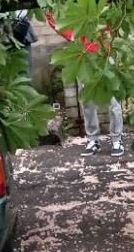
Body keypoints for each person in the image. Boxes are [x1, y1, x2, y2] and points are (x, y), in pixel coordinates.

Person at [44, 11, 124, 158]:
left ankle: (117, 139)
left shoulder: (101, 5)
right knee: (87, 101)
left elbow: (114, 16)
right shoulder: (75, 7)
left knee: (114, 101)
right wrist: (70, 36)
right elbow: (57, 21)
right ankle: (93, 140)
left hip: (105, 55)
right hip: (84, 57)